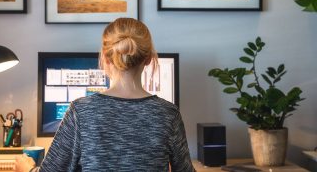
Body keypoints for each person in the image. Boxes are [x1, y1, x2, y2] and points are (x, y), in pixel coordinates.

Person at [16, 18, 195, 172]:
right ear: (148, 59)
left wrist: (28, 168)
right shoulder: (168, 113)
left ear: (105, 58)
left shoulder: (81, 111)